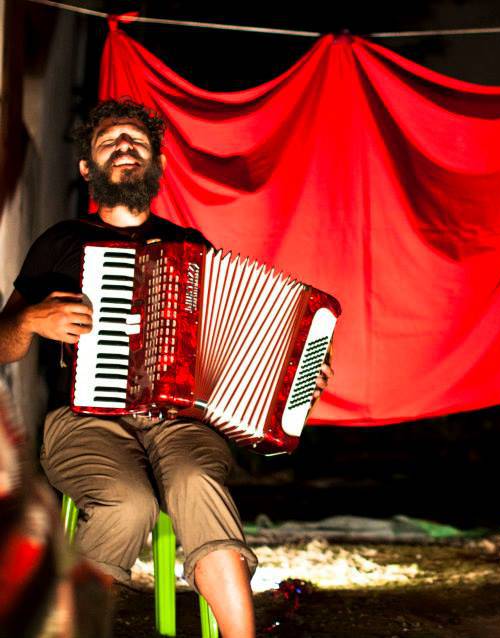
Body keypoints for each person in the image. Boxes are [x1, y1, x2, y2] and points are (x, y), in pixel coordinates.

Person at [0, 99, 335, 638]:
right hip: (84, 422)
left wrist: (293, 381)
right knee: (127, 503)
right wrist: (31, 319)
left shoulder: (191, 249)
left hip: (180, 422)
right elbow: (4, 344)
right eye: (109, 141)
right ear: (87, 168)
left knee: (198, 482)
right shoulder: (60, 244)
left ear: (156, 163)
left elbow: (233, 352)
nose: (124, 146)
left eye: (136, 140)